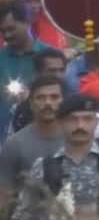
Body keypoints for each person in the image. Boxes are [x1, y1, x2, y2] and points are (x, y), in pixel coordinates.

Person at [11, 95, 99, 220]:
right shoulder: (43, 168)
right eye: (73, 119)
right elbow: (23, 216)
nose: (80, 126)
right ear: (60, 123)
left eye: (87, 119)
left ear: (96, 122)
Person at [0, 76, 64, 204]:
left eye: (54, 97)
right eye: (40, 98)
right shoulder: (15, 145)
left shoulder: (78, 139)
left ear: (64, 101)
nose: (48, 103)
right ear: (30, 104)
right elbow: (4, 197)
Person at [0, 0, 58, 139]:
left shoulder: (50, 56)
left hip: (42, 137)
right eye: (2, 31)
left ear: (28, 22)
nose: (7, 35)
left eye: (11, 28)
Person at [7, 49, 67, 136]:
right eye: (52, 71)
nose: (58, 75)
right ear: (38, 73)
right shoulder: (21, 109)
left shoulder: (73, 103)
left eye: (61, 70)